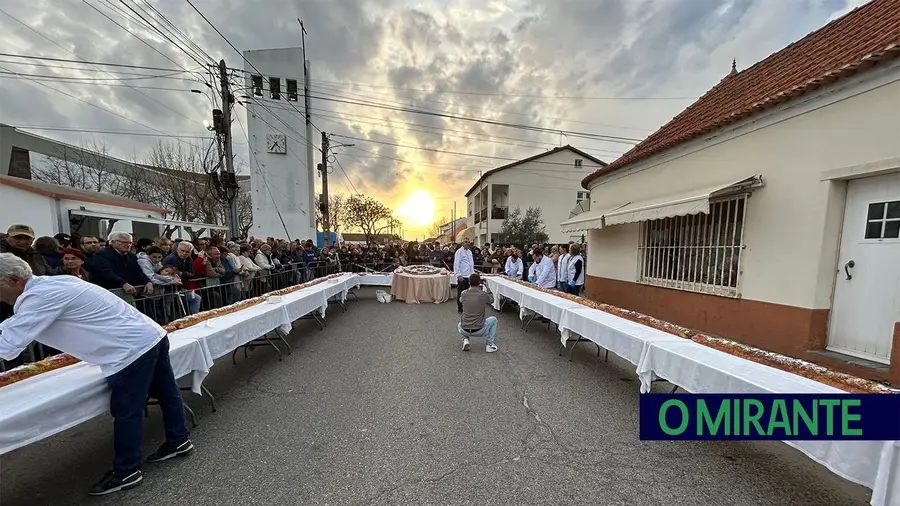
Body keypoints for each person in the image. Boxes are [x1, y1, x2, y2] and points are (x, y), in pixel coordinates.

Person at [0, 253, 193, 496]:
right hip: (147, 336)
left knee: (127, 410)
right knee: (167, 393)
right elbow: (12, 328)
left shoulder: (40, 296)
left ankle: (127, 471)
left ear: (14, 279)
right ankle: (179, 439)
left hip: (129, 349)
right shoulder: (54, 284)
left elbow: (8, 344)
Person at [457, 272, 498, 353]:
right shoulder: (482, 294)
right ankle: (489, 344)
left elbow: (460, 300)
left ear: (469, 282)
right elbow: (492, 300)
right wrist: (488, 287)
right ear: (479, 283)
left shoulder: (464, 293)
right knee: (494, 319)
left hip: (464, 329)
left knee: (459, 324)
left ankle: (465, 339)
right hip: (479, 329)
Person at [453, 240, 474, 314]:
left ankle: (467, 308)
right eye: (466, 242)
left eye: (468, 242)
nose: (467, 243)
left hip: (469, 276)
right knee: (461, 293)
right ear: (462, 243)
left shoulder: (469, 252)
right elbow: (456, 263)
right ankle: (460, 309)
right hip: (462, 276)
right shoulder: (459, 252)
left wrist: (472, 274)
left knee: (469, 293)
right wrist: (458, 275)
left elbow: (471, 264)